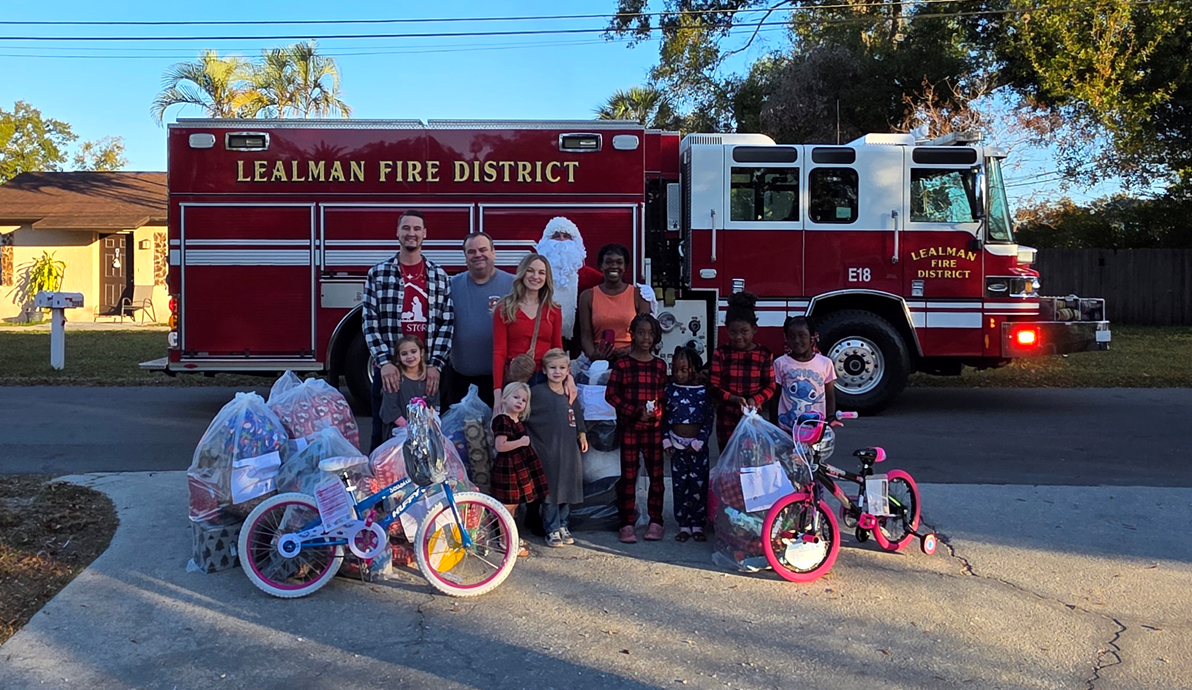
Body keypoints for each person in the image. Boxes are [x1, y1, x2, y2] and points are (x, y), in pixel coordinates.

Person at [363, 210, 454, 452]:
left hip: (426, 374)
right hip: (391, 373)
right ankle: (379, 485)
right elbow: (369, 321)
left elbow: (447, 323)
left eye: (416, 229)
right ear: (397, 233)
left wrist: (435, 365)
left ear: (425, 234)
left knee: (429, 438)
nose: (411, 233)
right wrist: (385, 363)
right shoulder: (378, 274)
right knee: (383, 437)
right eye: (406, 228)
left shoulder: (438, 276)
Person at [604, 313, 668, 544]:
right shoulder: (622, 364)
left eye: (651, 333)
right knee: (629, 477)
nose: (646, 338)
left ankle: (656, 521)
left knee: (656, 476)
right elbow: (611, 395)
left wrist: (657, 413)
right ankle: (627, 523)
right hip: (630, 428)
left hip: (653, 430)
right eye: (641, 332)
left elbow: (662, 398)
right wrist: (634, 411)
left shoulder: (660, 366)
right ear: (632, 334)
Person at [444, 232, 515, 409]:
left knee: (497, 434)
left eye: (483, 249)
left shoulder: (513, 285)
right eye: (471, 251)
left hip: (501, 381)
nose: (478, 255)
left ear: (493, 252)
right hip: (460, 380)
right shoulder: (451, 286)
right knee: (459, 434)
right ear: (465, 256)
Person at [525, 348, 588, 548]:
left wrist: (582, 433)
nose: (557, 372)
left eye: (562, 368)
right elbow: (524, 414)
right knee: (550, 491)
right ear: (544, 370)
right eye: (552, 368)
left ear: (568, 370)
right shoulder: (536, 393)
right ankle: (551, 528)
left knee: (567, 489)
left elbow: (576, 413)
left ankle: (563, 525)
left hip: (569, 451)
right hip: (547, 451)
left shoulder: (570, 392)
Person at [491, 254, 563, 409]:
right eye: (530, 271)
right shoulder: (505, 307)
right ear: (522, 273)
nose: (535, 276)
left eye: (541, 273)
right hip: (515, 380)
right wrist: (497, 393)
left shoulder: (554, 310)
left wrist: (567, 378)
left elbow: (558, 349)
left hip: (545, 379)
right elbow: (499, 352)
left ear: (547, 277)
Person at [708, 292, 776, 449]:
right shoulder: (721, 353)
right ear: (727, 329)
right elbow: (712, 386)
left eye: (744, 331)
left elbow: (771, 386)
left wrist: (756, 399)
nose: (738, 337)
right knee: (729, 463)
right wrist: (733, 398)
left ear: (754, 329)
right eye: (733, 332)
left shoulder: (764, 354)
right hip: (726, 419)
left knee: (751, 462)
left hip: (752, 418)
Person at [663, 346, 714, 543]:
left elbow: (709, 418)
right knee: (679, 485)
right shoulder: (669, 390)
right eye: (675, 370)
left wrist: (700, 440)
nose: (679, 374)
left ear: (695, 370)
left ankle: (698, 523)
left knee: (698, 486)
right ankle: (683, 524)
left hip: (698, 448)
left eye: (684, 370)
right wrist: (666, 440)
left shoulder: (703, 392)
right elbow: (664, 417)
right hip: (676, 447)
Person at [491, 381, 547, 558]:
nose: (519, 402)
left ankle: (511, 536)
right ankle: (505, 541)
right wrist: (521, 442)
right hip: (507, 466)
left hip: (518, 467)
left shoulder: (517, 420)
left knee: (513, 504)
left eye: (523, 400)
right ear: (505, 398)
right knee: (506, 506)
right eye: (515, 397)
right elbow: (501, 445)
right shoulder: (503, 420)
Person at [534, 217, 603, 343]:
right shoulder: (534, 277)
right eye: (556, 236)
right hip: (542, 344)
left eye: (566, 236)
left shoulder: (593, 278)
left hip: (580, 348)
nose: (561, 240)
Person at [578, 243, 651, 360]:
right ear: (601, 266)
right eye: (608, 262)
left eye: (619, 262)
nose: (614, 266)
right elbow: (586, 335)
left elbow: (646, 334)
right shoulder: (587, 296)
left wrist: (630, 350)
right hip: (599, 362)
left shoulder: (639, 295)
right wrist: (594, 356)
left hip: (632, 358)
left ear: (625, 266)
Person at [773, 316, 838, 431]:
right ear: (786, 339)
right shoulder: (780, 363)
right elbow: (775, 397)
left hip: (815, 429)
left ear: (812, 337)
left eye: (802, 335)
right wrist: (773, 425)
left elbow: (829, 395)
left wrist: (830, 418)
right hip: (787, 430)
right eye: (792, 337)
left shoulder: (825, 363)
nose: (797, 341)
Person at [379, 336, 440, 433]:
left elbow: (433, 408)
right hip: (399, 433)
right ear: (399, 357)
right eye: (404, 354)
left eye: (413, 351)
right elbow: (390, 409)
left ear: (422, 352)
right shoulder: (394, 379)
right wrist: (409, 428)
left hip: (425, 432)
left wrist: (427, 427)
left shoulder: (429, 380)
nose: (409, 356)